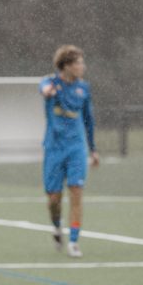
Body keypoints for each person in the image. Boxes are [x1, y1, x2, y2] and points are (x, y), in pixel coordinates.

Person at [40, 45, 99, 258]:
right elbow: (43, 87)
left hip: (76, 148)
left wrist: (93, 150)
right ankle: (56, 227)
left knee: (76, 192)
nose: (83, 66)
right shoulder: (51, 83)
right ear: (66, 65)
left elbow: (89, 121)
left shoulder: (84, 89)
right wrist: (47, 92)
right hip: (54, 148)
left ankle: (74, 241)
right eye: (79, 63)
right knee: (53, 199)